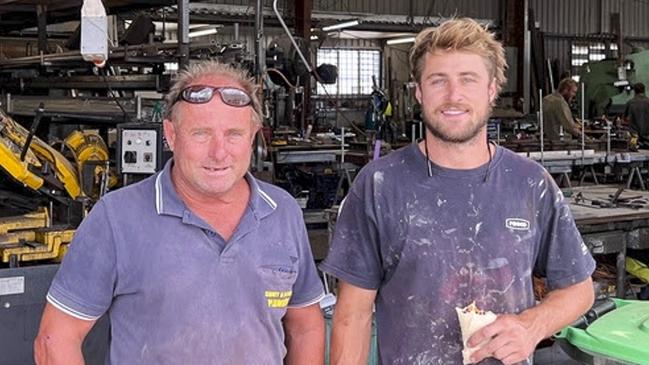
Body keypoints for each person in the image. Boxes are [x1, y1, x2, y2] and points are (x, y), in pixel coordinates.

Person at [321, 18, 595, 365]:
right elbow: (352, 316)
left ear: (492, 89)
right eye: (438, 81)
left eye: (468, 80)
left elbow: (579, 290)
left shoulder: (530, 183)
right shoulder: (379, 185)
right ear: (418, 90)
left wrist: (532, 325)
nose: (454, 96)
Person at [34, 61, 325, 364]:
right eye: (201, 134)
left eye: (234, 134)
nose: (219, 153)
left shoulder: (282, 212)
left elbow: (305, 326)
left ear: (253, 136)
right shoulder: (116, 218)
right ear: (171, 135)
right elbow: (55, 339)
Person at [624, 82, 649, 147]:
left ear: (634, 91)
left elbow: (624, 119)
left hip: (634, 139)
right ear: (644, 90)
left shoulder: (630, 103)